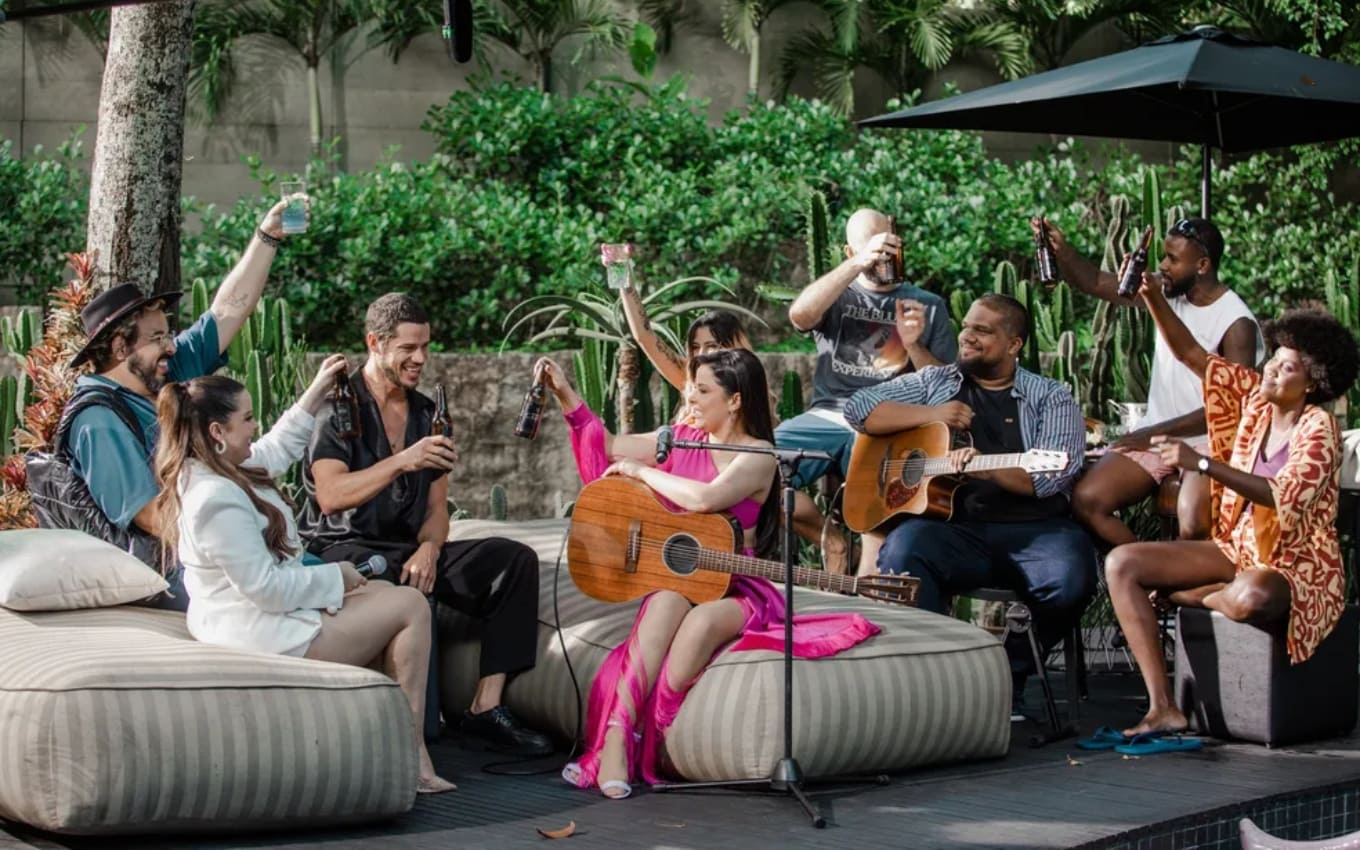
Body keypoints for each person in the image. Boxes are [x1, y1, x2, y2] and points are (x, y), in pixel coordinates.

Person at [539, 349, 879, 799]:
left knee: (698, 625)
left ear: (735, 400)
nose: (690, 398)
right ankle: (618, 737)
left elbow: (706, 499)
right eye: (691, 388)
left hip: (739, 585)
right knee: (665, 599)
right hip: (678, 581)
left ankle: (649, 741)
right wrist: (568, 395)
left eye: (702, 390)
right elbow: (606, 445)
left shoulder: (758, 456)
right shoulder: (677, 437)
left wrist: (644, 472)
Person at [151, 358, 456, 794]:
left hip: (260, 617)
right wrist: (339, 577)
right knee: (409, 605)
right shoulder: (214, 499)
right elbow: (267, 590)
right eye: (248, 419)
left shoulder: (217, 467)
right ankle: (411, 754)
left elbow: (277, 449)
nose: (255, 428)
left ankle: (385, 750)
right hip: (260, 631)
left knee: (388, 592)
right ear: (217, 432)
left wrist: (316, 391)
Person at [299, 293, 551, 756]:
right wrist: (401, 461)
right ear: (374, 343)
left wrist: (431, 549)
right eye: (408, 349)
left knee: (513, 561)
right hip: (347, 550)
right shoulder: (336, 409)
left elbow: (438, 508)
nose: (420, 359)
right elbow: (332, 495)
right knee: (388, 581)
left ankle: (485, 706)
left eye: (426, 347)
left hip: (410, 550)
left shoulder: (427, 414)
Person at [1103, 285, 1359, 737]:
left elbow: (1282, 495)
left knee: (1250, 596)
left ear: (1312, 382)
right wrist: (1151, 296)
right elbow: (1191, 355)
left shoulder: (1320, 430)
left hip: (1295, 563)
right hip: (1237, 547)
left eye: (1287, 366)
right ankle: (1162, 707)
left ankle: (1193, 593)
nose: (1272, 369)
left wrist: (1201, 463)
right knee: (1122, 563)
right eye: (1273, 358)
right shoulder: (1255, 401)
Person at [844, 293, 1096, 697]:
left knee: (1072, 576)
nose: (967, 336)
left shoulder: (1051, 397)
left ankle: (1004, 672)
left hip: (1035, 531)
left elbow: (1051, 476)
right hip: (955, 530)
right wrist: (932, 415)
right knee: (902, 553)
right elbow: (859, 408)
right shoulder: (938, 382)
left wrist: (986, 463)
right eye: (966, 326)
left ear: (1014, 344)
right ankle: (944, 678)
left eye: (982, 330)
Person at [62, 198, 307, 608]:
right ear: (121, 347)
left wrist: (267, 237)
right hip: (183, 574)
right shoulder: (98, 420)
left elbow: (227, 312)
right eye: (157, 337)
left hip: (226, 553)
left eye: (168, 334)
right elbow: (152, 517)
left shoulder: (166, 377)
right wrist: (249, 530)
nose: (171, 345)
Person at [1032, 216, 1262, 547]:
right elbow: (1096, 281)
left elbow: (1233, 408)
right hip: (1157, 434)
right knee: (1087, 500)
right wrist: (1062, 250)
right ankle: (1150, 581)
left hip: (1210, 442)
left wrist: (1153, 434)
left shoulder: (1236, 322)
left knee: (1193, 522)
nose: (1163, 266)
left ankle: (1176, 584)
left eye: (1172, 259)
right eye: (1163, 256)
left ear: (1203, 264)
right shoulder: (1167, 291)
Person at [618, 291, 852, 572]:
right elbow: (645, 337)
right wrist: (623, 278)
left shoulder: (744, 384)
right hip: (695, 487)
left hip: (745, 481)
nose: (704, 353)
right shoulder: (689, 378)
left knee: (805, 517)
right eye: (696, 346)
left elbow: (760, 448)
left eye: (713, 345)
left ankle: (840, 566)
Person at [779, 208, 957, 574]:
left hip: (889, 423)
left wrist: (913, 346)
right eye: (874, 248)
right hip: (829, 416)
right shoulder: (837, 295)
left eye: (890, 245)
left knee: (877, 517)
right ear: (851, 252)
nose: (884, 256)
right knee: (754, 467)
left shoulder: (929, 305)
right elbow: (799, 316)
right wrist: (858, 265)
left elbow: (947, 388)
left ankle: (867, 608)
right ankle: (831, 541)